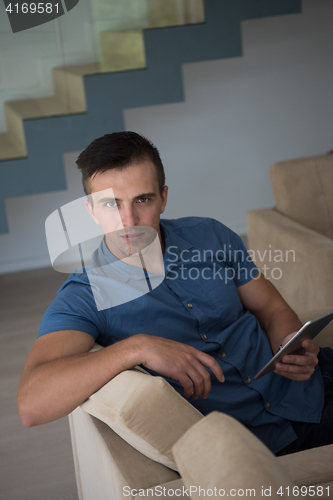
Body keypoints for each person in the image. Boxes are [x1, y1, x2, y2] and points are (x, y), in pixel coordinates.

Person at [17, 132, 333, 456]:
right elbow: (31, 404)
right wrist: (137, 347)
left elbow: (273, 309)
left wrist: (291, 346)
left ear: (163, 198)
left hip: (311, 380)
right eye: (111, 204)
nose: (129, 221)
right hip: (260, 437)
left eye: (143, 199)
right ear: (91, 211)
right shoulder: (85, 294)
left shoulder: (210, 234)